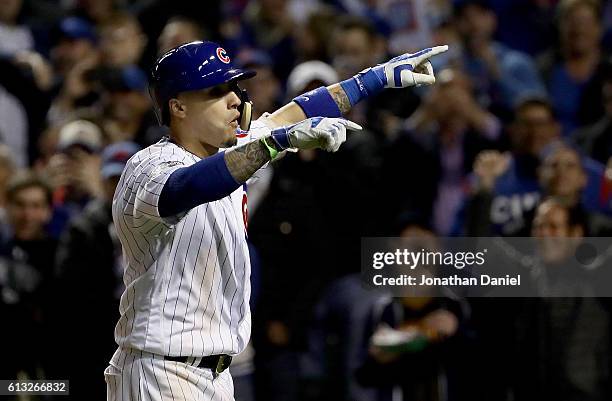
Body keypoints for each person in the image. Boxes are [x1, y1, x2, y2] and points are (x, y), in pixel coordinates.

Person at [105, 40, 448, 400]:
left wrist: (372, 79)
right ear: (178, 106)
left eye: (234, 87)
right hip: (158, 372)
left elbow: (293, 114)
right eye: (217, 90)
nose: (235, 99)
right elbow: (188, 186)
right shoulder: (147, 166)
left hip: (214, 375)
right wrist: (272, 145)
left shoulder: (232, 153)